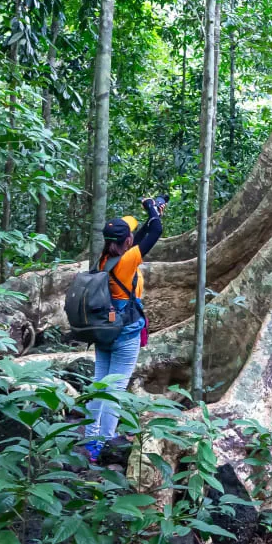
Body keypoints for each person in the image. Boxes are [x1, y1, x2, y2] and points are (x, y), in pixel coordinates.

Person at [83, 195, 165, 461]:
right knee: (115, 389)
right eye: (129, 235)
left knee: (100, 384)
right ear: (127, 242)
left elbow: (141, 232)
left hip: (103, 330)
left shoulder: (105, 257)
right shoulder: (129, 261)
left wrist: (153, 208)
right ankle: (104, 444)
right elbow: (155, 231)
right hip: (124, 332)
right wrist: (152, 211)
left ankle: (90, 439)